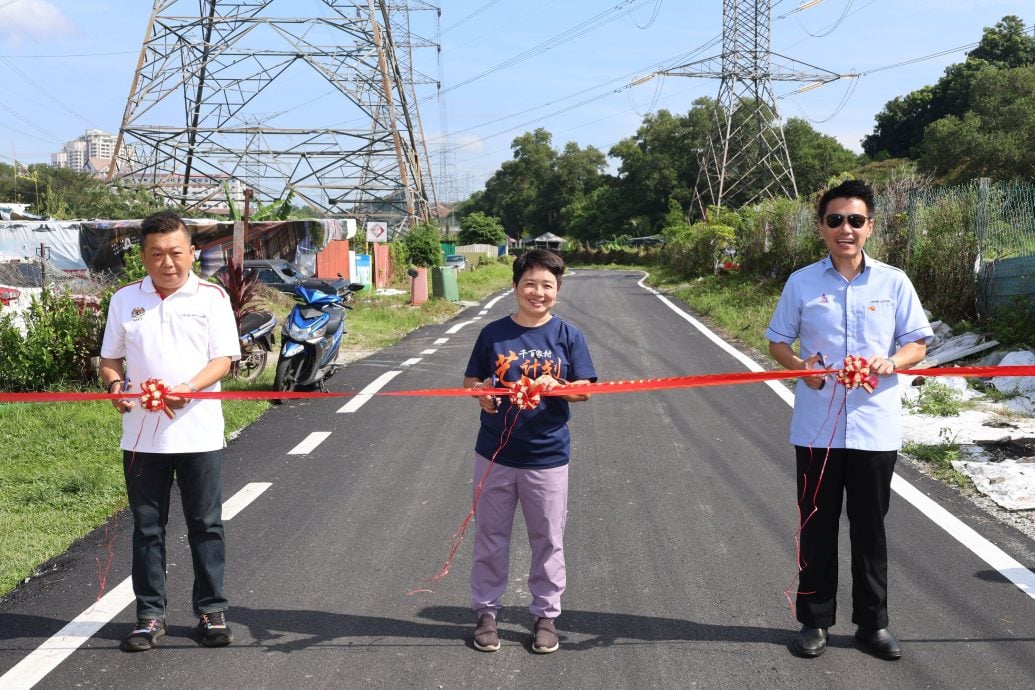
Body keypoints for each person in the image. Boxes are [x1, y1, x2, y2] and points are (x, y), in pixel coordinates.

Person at [765, 179, 933, 660]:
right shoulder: (802, 282)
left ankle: (872, 625)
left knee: (870, 527)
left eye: (855, 220)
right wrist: (802, 369)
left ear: (870, 227)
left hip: (875, 425)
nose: (846, 228)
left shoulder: (894, 281)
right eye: (835, 220)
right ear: (821, 227)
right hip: (817, 427)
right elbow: (778, 341)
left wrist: (892, 362)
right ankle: (813, 622)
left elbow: (917, 343)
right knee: (816, 524)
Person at [99, 210, 241, 652]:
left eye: (176, 253)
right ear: (142, 256)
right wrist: (116, 387)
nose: (168, 263)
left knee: (206, 524)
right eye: (157, 254)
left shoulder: (211, 297)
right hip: (143, 437)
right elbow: (109, 360)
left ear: (191, 253)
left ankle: (211, 611)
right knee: (147, 528)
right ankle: (148, 616)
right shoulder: (125, 300)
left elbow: (224, 359)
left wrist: (190, 388)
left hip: (197, 432)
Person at [462, 249, 596, 654]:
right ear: (516, 286)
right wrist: (480, 394)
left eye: (548, 286)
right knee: (490, 536)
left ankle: (546, 616)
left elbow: (586, 389)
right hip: (494, 455)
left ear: (557, 290)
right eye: (530, 284)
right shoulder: (493, 334)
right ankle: (486, 613)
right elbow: (472, 380)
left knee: (548, 539)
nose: (538, 292)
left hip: (547, 456)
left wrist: (562, 388)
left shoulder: (568, 335)